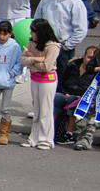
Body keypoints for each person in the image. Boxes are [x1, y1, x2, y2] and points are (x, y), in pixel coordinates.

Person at [33, 0, 88, 72]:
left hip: (63, 49)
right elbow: (37, 19)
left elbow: (81, 29)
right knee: (43, 76)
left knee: (62, 79)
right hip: (44, 46)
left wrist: (66, 46)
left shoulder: (75, 3)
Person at [21, 19, 62, 150]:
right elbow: (23, 59)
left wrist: (32, 60)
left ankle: (46, 140)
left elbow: (47, 67)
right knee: (37, 111)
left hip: (48, 80)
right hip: (35, 78)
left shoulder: (53, 46)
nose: (31, 33)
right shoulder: (31, 43)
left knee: (46, 110)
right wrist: (36, 58)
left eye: (33, 31)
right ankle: (34, 138)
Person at [54, 45, 98, 146]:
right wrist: (65, 93)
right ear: (84, 56)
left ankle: (69, 133)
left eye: (94, 59)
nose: (91, 60)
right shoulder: (73, 66)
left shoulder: (96, 72)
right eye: (89, 57)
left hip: (81, 99)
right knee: (57, 97)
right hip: (66, 93)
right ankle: (52, 128)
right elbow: (61, 83)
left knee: (73, 100)